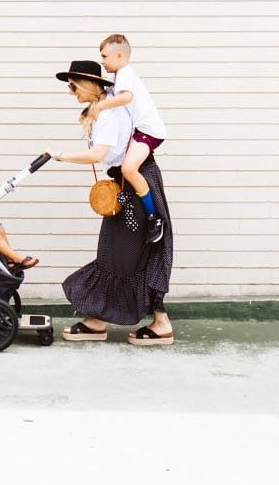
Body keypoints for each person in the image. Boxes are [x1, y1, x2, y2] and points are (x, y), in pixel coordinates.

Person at [45, 59, 174, 346]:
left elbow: (98, 154)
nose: (70, 92)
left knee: (128, 253)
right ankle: (100, 319)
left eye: (73, 85)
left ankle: (157, 322)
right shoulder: (104, 109)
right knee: (119, 253)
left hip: (135, 187)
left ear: (89, 85)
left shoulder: (109, 113)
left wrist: (61, 155)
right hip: (126, 187)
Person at [94, 34, 166, 244]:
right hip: (140, 131)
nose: (102, 61)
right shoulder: (120, 76)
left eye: (105, 56)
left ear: (119, 55)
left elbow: (126, 97)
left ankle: (154, 217)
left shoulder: (124, 72)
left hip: (149, 131)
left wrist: (99, 106)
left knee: (128, 169)